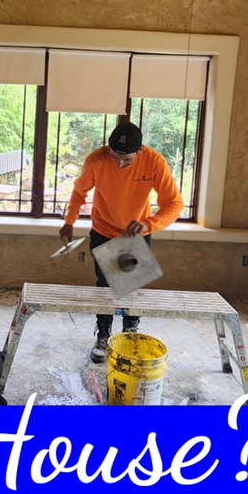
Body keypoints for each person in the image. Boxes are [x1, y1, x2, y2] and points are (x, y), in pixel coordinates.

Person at [58, 121, 184, 363]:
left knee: (132, 284)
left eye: (127, 160)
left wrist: (148, 224)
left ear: (140, 150)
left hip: (136, 232)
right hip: (103, 230)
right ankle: (103, 335)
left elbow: (174, 203)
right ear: (109, 149)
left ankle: (130, 333)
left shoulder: (154, 161)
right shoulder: (96, 160)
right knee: (106, 285)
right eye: (115, 158)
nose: (120, 164)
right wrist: (69, 222)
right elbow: (79, 192)